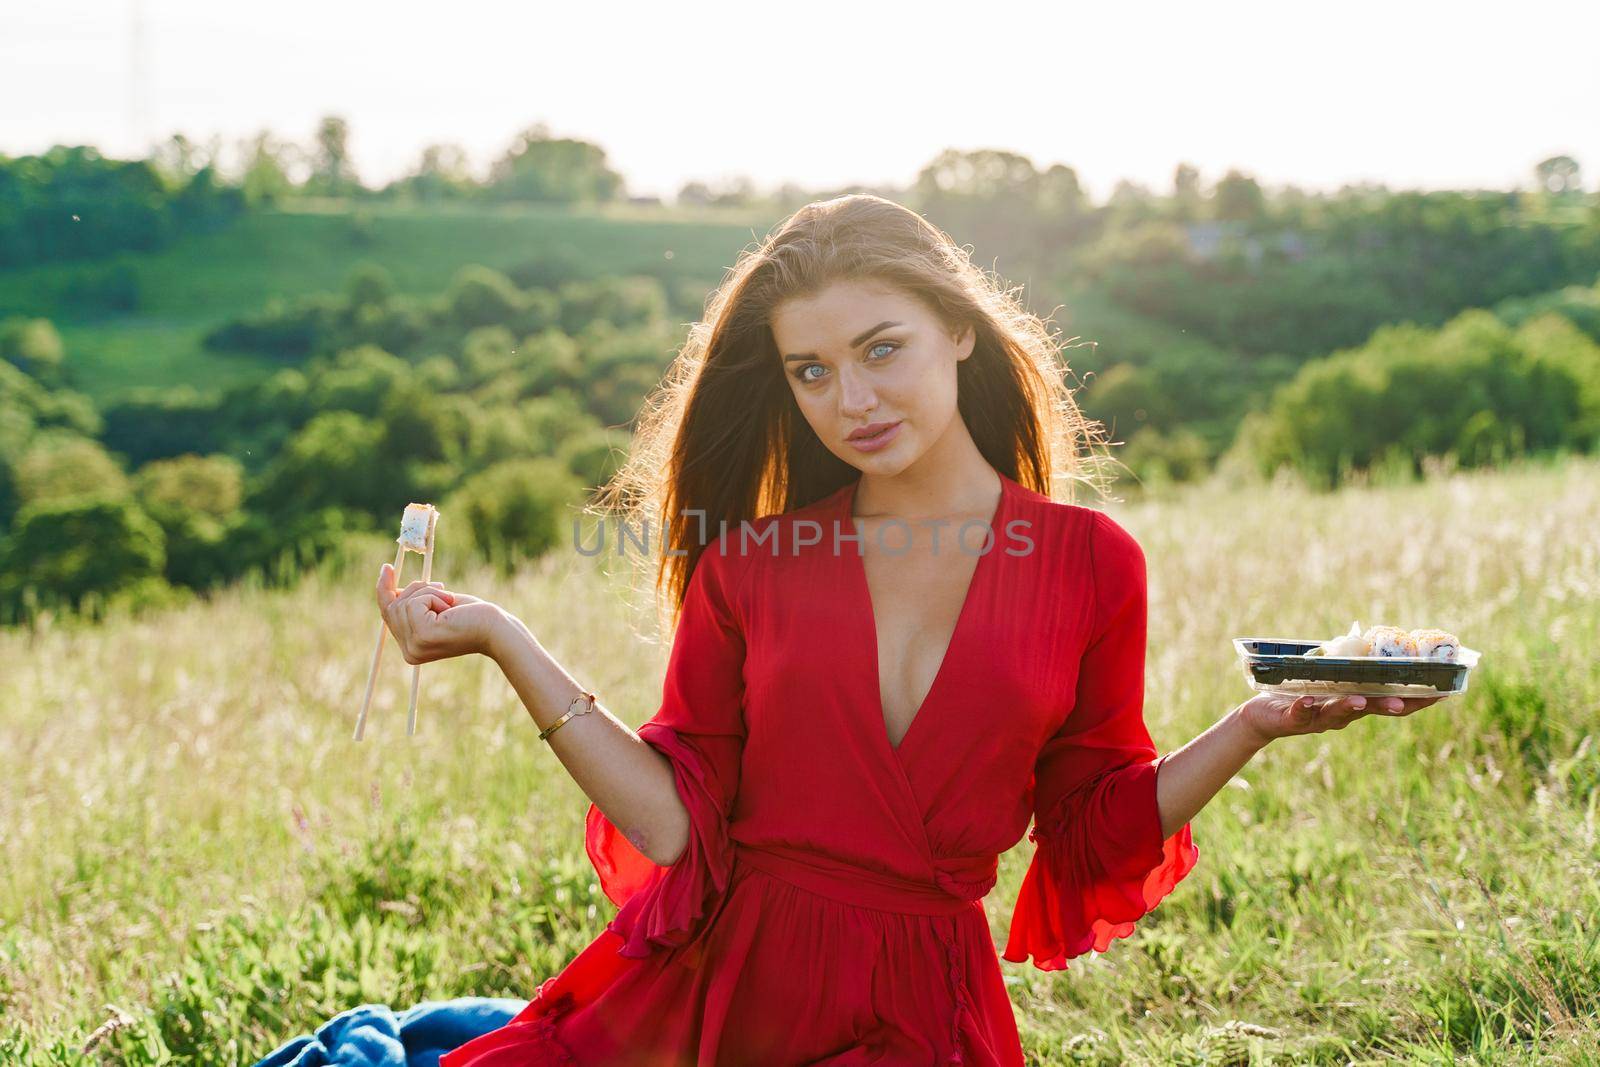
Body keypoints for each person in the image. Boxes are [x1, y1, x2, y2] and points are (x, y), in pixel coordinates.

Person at [372, 195, 1447, 1066]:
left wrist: (1252, 724)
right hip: (719, 990)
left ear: (960, 329)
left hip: (924, 1007)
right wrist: (504, 638)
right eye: (812, 371)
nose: (852, 399)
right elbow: (674, 829)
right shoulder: (753, 563)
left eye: (882, 349)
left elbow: (1091, 825)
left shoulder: (1087, 561)